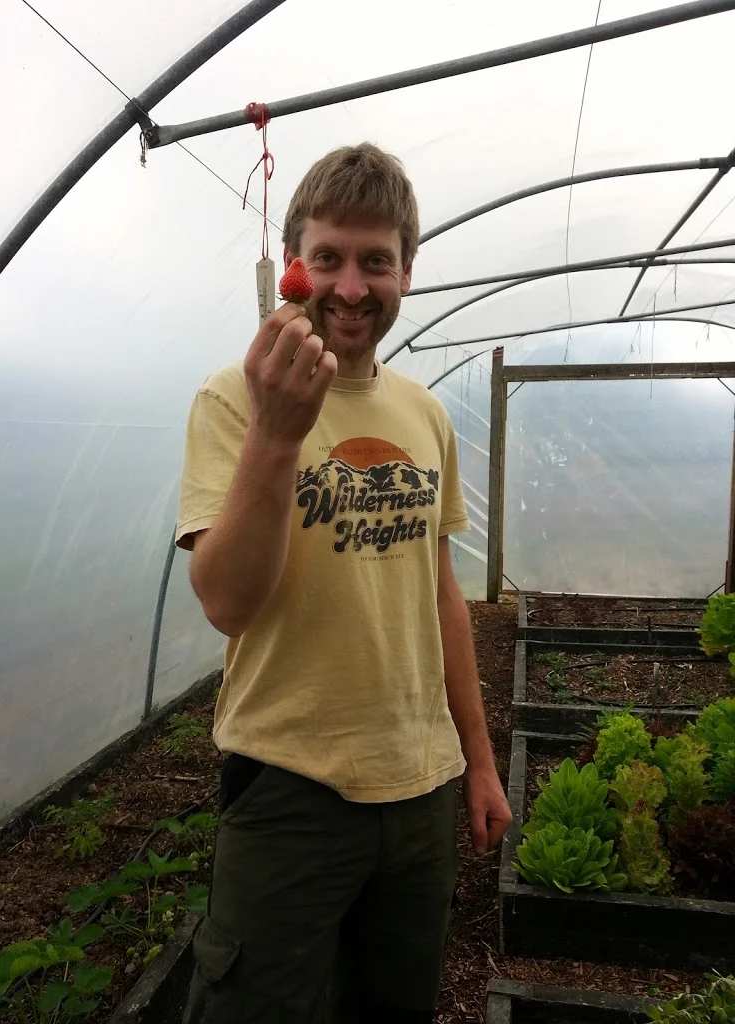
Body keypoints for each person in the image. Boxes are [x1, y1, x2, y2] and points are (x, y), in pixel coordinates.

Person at [174, 142, 512, 1024]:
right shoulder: (232, 401)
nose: (352, 288)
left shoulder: (423, 411)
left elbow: (437, 593)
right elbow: (226, 603)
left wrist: (477, 761)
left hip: (421, 786)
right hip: (290, 785)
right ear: (294, 265)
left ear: (407, 270)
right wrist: (279, 436)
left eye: (376, 262)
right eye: (328, 257)